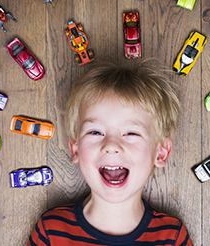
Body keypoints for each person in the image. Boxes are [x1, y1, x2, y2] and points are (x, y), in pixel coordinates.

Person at [27, 59, 193, 246]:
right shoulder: (51, 230)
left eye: (131, 133)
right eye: (95, 132)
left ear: (161, 153)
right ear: (75, 149)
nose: (111, 145)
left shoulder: (172, 238)